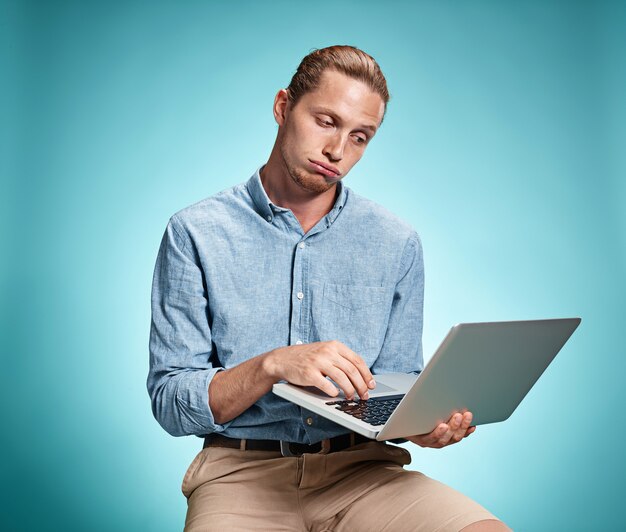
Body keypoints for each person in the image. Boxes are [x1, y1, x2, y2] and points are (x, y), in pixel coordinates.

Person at [148, 45, 510, 531]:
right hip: (240, 475)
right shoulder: (195, 232)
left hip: (363, 473)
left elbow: (398, 381)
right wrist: (272, 365)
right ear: (283, 107)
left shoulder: (396, 242)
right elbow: (171, 401)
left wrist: (423, 426)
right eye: (326, 122)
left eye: (360, 136)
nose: (338, 150)